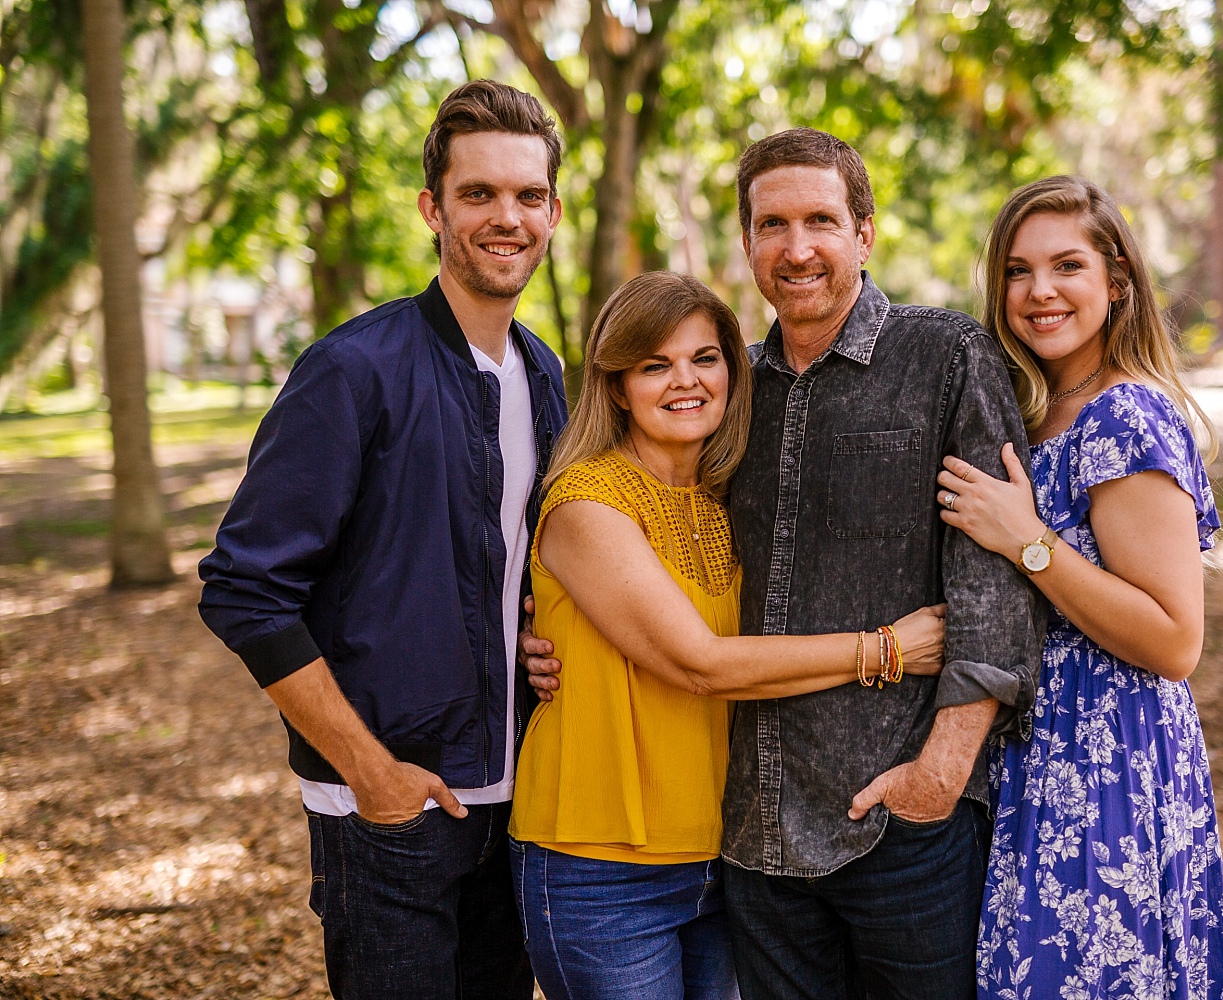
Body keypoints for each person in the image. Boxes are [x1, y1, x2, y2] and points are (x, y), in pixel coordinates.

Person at [525, 128, 1046, 999]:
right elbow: (645, 585)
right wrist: (540, 632)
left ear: (864, 232)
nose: (797, 248)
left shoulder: (945, 357)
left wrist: (942, 775)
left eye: (820, 220)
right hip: (753, 839)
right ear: (748, 243)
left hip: (899, 818)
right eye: (773, 224)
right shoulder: (733, 396)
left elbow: (993, 579)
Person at [197, 80, 568, 999]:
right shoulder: (351, 369)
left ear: (554, 212)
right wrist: (371, 773)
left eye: (527, 196)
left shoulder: (545, 373)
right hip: (388, 810)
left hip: (518, 800)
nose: (505, 217)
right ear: (431, 207)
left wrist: (528, 636)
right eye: (477, 194)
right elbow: (244, 587)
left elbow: (500, 560)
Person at [507, 270, 948, 1000]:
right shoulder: (587, 499)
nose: (685, 381)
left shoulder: (724, 498)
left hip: (721, 858)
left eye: (704, 359)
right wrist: (886, 650)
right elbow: (702, 664)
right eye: (655, 365)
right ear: (617, 385)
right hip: (599, 868)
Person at [933, 175, 1223, 998]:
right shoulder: (1034, 407)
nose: (1039, 292)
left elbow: (1176, 640)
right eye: (1017, 270)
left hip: (1108, 755)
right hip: (1037, 749)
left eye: (1066, 266)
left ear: (1117, 279)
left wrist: (1028, 542)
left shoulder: (1124, 416)